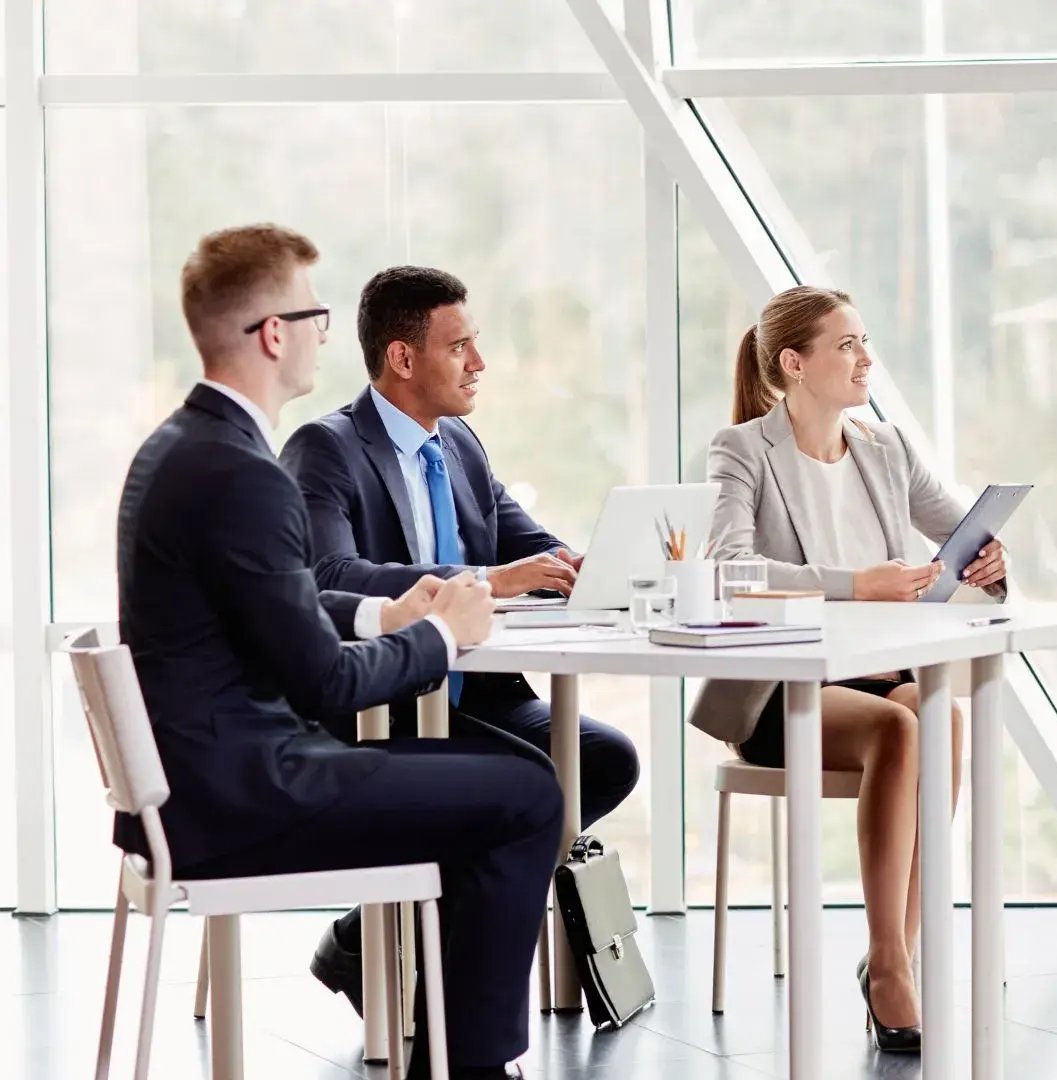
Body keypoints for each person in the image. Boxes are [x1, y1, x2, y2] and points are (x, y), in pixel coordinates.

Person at [117, 224, 556, 1080]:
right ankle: (466, 1065)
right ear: (274, 333)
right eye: (315, 314)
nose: (327, 333)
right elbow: (321, 682)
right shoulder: (246, 472)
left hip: (198, 785)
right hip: (246, 796)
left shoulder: (185, 449)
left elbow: (279, 601)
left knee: (506, 780)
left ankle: (442, 1038)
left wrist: (383, 612)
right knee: (529, 793)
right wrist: (441, 636)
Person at [279, 266, 641, 1002]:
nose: (480, 363)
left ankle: (365, 935)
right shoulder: (327, 447)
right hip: (382, 702)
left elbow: (529, 546)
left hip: (478, 694)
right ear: (402, 359)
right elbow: (327, 573)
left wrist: (608, 566)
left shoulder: (462, 446)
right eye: (461, 346)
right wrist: (486, 579)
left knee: (603, 759)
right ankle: (449, 990)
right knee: (528, 788)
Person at [688, 285, 1009, 1053]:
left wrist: (990, 559)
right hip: (777, 690)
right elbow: (729, 568)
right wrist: (854, 582)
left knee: (943, 715)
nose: (866, 358)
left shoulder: (885, 447)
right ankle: (893, 965)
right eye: (847, 345)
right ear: (794, 364)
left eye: (865, 341)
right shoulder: (741, 449)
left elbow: (957, 532)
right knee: (899, 729)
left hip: (870, 668)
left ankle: (892, 949)